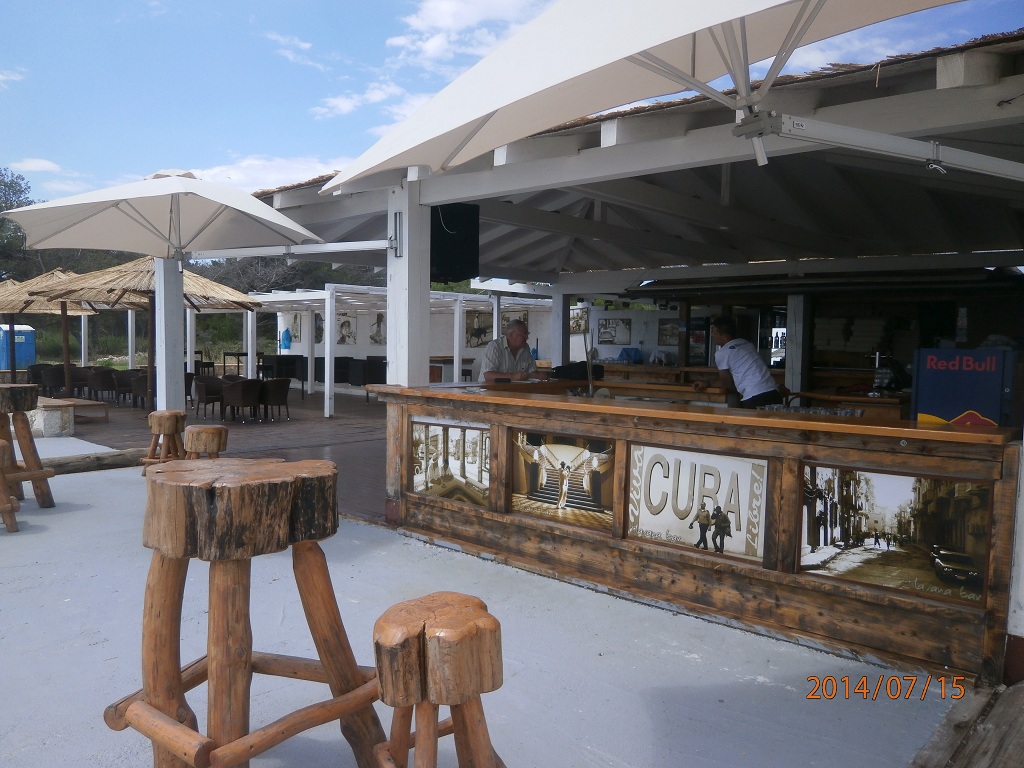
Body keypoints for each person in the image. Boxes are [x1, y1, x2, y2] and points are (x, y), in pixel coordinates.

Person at [692, 316, 783, 409]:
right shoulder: (746, 343)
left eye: (715, 333)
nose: (712, 335)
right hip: (774, 393)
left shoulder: (722, 353)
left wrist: (707, 384)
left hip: (754, 397)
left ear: (725, 337)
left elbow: (726, 382)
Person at [481, 319, 549, 382]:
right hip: (489, 389)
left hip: (515, 389)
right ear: (511, 335)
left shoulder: (525, 348)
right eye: (524, 334)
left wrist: (539, 376)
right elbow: (488, 375)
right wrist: (512, 376)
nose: (527, 337)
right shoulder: (494, 347)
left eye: (527, 334)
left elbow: (531, 371)